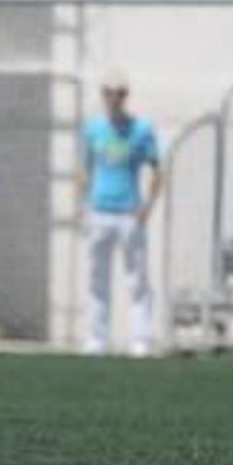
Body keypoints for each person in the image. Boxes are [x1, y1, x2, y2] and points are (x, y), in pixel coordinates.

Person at [77, 68, 162, 357]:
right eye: (109, 92)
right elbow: (83, 169)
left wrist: (147, 207)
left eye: (120, 93)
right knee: (96, 278)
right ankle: (96, 339)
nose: (114, 98)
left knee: (137, 278)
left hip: (129, 212)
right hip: (100, 211)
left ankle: (141, 339)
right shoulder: (92, 129)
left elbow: (157, 169)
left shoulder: (141, 129)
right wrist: (83, 205)